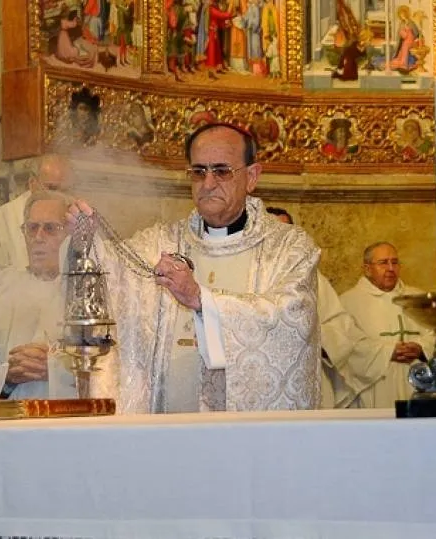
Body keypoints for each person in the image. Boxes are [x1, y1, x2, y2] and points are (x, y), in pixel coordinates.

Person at [68, 123, 321, 413]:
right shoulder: (161, 242)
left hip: (244, 439)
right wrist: (88, 239)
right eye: (198, 172)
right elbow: (115, 271)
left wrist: (202, 301)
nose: (208, 183)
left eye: (222, 171)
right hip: (170, 427)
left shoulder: (289, 249)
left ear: (252, 177)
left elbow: (293, 317)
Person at [0, 191, 77, 401]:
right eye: (32, 228)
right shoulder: (5, 303)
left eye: (50, 228)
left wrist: (52, 370)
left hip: (68, 428)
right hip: (14, 429)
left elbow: (109, 375)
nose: (38, 237)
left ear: (70, 234)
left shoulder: (85, 298)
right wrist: (7, 377)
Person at [265, 207, 380, 408]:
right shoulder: (249, 279)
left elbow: (341, 326)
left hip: (307, 374)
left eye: (286, 232)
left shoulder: (314, 279)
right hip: (262, 378)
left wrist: (311, 335)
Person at [340, 242, 435, 408]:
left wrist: (421, 348)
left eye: (395, 262)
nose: (391, 268)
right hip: (375, 388)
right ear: (367, 268)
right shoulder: (348, 302)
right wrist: (389, 351)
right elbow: (346, 345)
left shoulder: (418, 298)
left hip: (417, 383)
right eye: (383, 263)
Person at [0, 154, 74, 281]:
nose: (58, 195)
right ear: (32, 184)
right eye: (51, 188)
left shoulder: (73, 215)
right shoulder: (1, 220)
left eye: (66, 190)